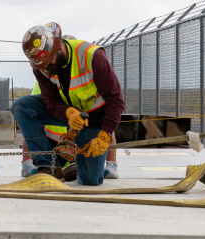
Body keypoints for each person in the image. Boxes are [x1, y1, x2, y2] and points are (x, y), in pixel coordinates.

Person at [12, 22, 124, 185]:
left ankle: (80, 165)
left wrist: (105, 134)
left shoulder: (92, 56)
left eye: (48, 64)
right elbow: (51, 102)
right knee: (22, 106)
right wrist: (67, 113)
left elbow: (116, 100)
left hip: (94, 121)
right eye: (42, 67)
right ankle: (48, 167)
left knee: (90, 180)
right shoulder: (41, 66)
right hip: (72, 114)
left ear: (58, 48)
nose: (46, 70)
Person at [21, 82, 120, 180]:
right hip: (53, 149)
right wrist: (27, 162)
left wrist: (111, 163)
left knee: (90, 176)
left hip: (77, 147)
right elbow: (30, 121)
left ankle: (103, 166)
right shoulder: (42, 83)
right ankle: (59, 168)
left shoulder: (85, 82)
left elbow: (105, 122)